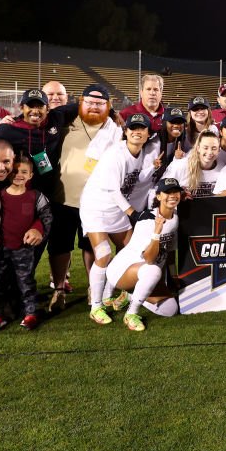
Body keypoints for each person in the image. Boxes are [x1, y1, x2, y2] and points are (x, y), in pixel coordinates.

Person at [81, 114, 161, 325]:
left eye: (141, 128)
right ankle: (96, 306)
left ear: (147, 134)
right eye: (132, 128)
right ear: (125, 132)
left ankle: (109, 295)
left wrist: (153, 166)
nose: (136, 131)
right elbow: (113, 190)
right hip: (96, 208)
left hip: (116, 209)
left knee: (132, 251)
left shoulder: (141, 153)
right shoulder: (115, 154)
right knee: (103, 253)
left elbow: (137, 179)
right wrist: (133, 213)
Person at [47, 84, 121, 306]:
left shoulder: (115, 129)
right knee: (60, 245)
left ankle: (93, 287)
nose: (94, 107)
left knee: (91, 245)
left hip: (97, 200)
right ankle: (59, 289)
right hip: (64, 196)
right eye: (89, 102)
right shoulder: (65, 123)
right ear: (80, 102)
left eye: (100, 103)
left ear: (108, 106)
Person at [0, 154, 53, 332]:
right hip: (0, 250)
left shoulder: (36, 197)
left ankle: (31, 314)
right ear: (8, 173)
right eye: (15, 171)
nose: (19, 175)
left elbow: (45, 218)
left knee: (26, 282)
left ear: (31, 175)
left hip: (24, 249)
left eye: (24, 172)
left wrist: (37, 229)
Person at [0, 89, 78, 201]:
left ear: (47, 109)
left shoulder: (56, 117)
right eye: (30, 106)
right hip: (21, 192)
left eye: (40, 106)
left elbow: (84, 104)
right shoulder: (8, 129)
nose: (35, 111)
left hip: (51, 192)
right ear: (22, 107)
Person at [103, 178, 187, 331]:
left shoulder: (175, 218)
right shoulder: (147, 220)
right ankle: (131, 313)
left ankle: (131, 295)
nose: (173, 195)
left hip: (145, 273)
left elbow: (168, 252)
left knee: (170, 310)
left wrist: (173, 277)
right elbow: (149, 259)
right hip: (122, 270)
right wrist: (156, 233)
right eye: (167, 192)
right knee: (153, 270)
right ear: (159, 196)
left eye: (175, 191)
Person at [165, 130, 223, 197]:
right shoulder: (180, 166)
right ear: (198, 148)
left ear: (219, 150)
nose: (210, 152)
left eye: (214, 148)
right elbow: (162, 189)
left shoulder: (223, 169)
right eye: (205, 148)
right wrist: (180, 194)